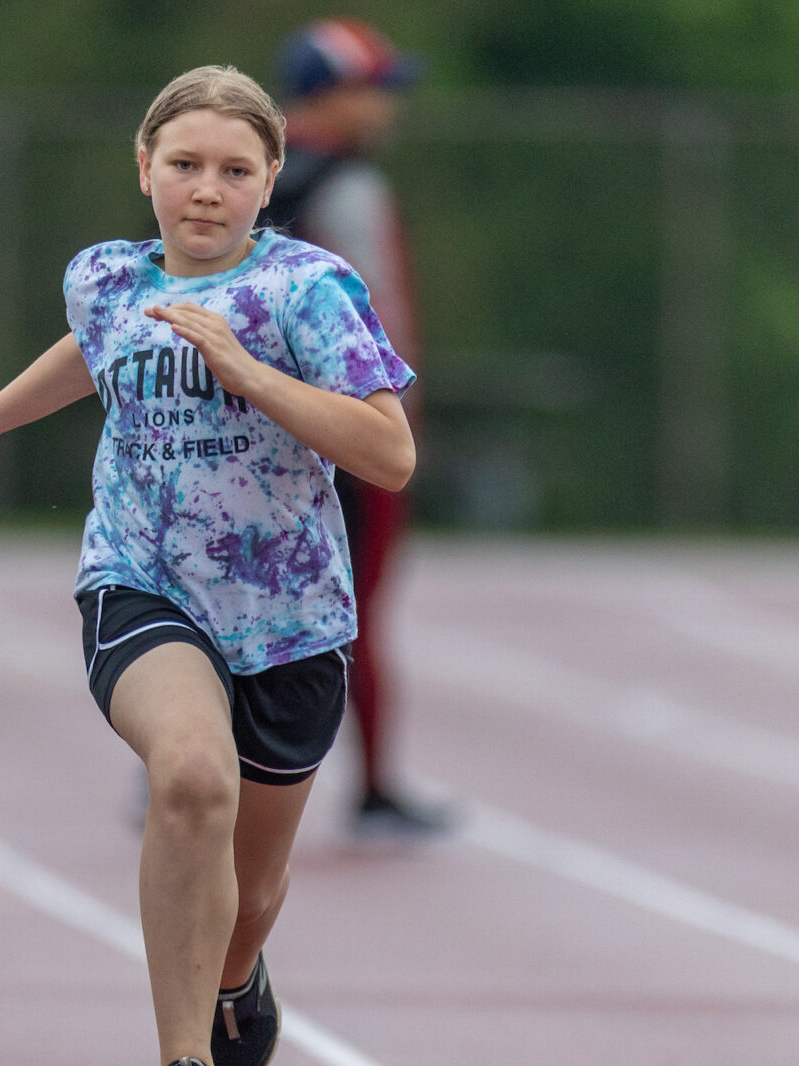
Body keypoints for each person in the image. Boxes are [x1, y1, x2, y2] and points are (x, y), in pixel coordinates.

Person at [0, 65, 414, 1066]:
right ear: (145, 170)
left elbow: (390, 451)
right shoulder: (105, 279)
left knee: (258, 882)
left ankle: (235, 972)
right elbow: (89, 355)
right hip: (144, 579)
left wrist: (250, 371)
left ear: (270, 179)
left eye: (234, 170)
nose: (206, 189)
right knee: (188, 774)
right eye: (184, 165)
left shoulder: (309, 292)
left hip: (288, 617)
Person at [270, 18, 447, 840]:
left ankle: (190, 756)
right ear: (329, 93)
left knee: (233, 595)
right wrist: (395, 423)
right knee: (357, 609)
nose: (388, 108)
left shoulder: (241, 177)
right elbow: (379, 318)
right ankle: (374, 787)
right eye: (375, 90)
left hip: (257, 425)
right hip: (344, 428)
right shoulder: (349, 187)